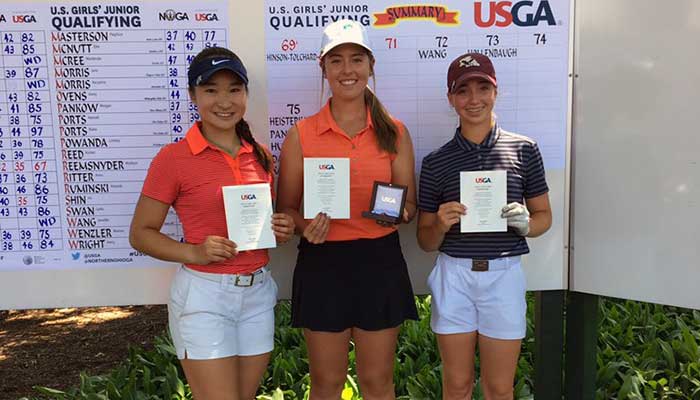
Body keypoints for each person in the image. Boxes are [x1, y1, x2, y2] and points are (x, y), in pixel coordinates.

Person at [129, 47, 295, 400]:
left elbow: (263, 228)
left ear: (246, 94)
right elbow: (141, 234)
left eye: (234, 89)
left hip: (258, 293)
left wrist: (281, 230)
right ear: (193, 95)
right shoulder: (172, 158)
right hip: (204, 296)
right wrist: (195, 251)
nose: (224, 100)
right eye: (211, 90)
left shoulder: (261, 154)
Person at [276, 20, 418, 400]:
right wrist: (305, 227)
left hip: (379, 260)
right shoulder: (302, 134)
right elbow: (285, 209)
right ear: (323, 68)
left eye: (357, 59)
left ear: (371, 66)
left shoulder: (395, 131)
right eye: (336, 61)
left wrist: (397, 213)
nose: (347, 70)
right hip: (324, 264)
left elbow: (411, 205)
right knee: (326, 384)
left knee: (377, 383)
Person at [416, 52, 552, 400]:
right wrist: (442, 224)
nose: (473, 99)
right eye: (463, 91)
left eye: (482, 88)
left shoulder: (524, 149)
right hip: (455, 276)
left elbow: (543, 217)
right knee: (457, 385)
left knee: (498, 388)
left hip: (503, 275)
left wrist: (525, 224)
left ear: (496, 91)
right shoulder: (435, 162)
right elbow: (426, 241)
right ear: (451, 98)